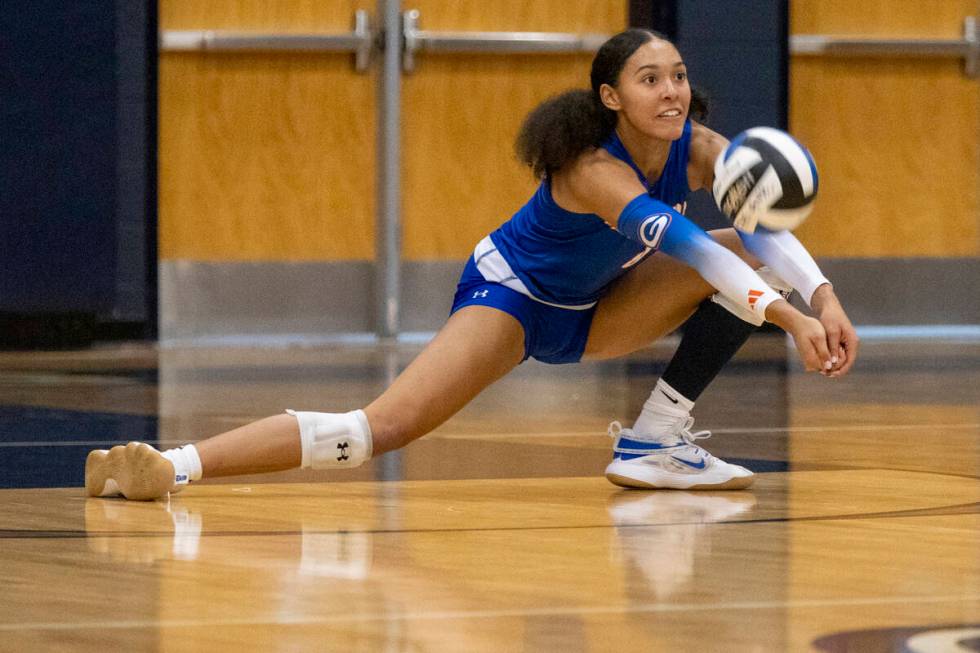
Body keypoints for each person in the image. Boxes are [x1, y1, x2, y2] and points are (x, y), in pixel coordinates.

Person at [86, 28, 858, 501]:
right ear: (611, 97)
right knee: (383, 426)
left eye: (679, 75)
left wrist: (823, 296)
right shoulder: (595, 168)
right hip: (512, 297)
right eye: (650, 79)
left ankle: (656, 441)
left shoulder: (699, 149)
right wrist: (788, 317)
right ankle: (173, 463)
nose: (672, 90)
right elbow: (686, 248)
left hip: (599, 307)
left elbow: (762, 229)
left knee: (742, 246)